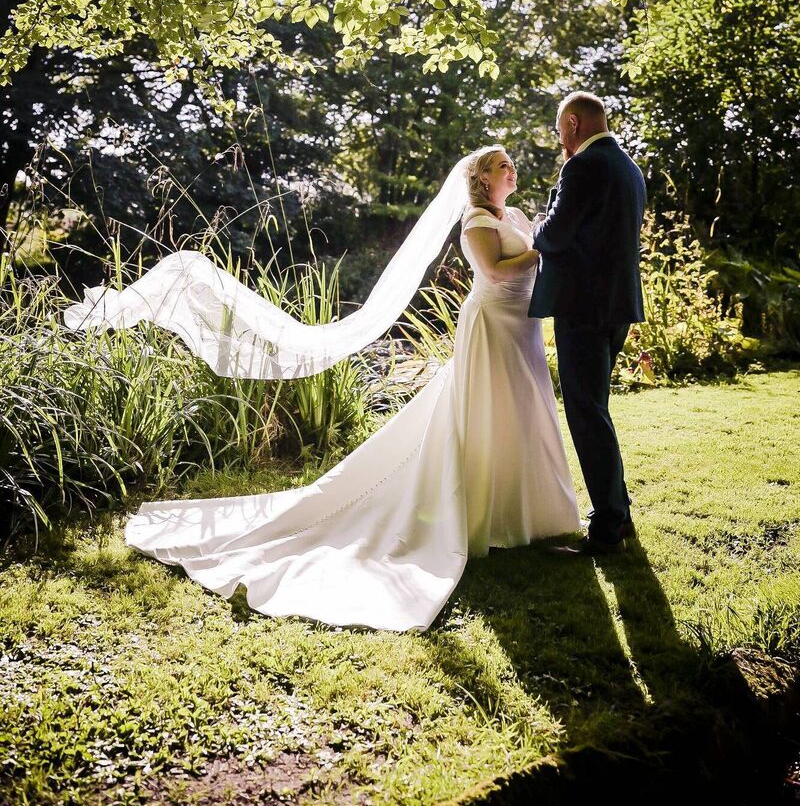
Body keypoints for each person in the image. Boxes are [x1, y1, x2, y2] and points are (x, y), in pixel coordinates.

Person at [65, 145, 580, 632]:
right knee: (492, 412)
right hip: (492, 326)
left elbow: (533, 247)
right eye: (503, 165)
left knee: (524, 412)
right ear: (482, 178)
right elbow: (493, 271)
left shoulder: (515, 217)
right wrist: (548, 253)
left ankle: (528, 514)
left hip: (523, 327)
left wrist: (547, 245)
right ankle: (484, 514)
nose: (513, 170)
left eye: (512, 165)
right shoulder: (477, 222)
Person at [529, 92, 646, 556]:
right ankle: (619, 514)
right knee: (596, 409)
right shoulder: (628, 168)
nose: (560, 139)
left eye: (560, 130)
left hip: (583, 307)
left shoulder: (582, 166)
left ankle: (607, 529)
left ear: (574, 123)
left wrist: (536, 226)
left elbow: (554, 234)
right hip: (617, 306)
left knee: (587, 413)